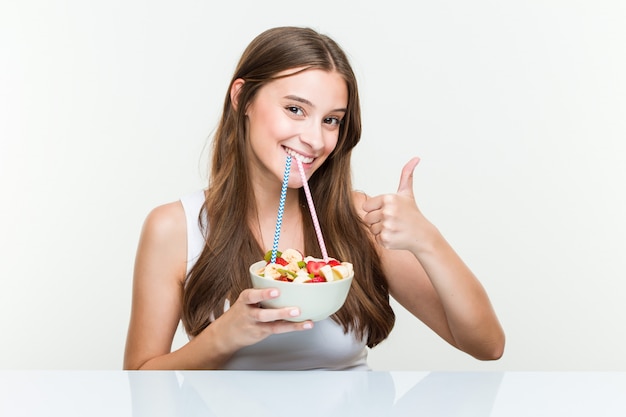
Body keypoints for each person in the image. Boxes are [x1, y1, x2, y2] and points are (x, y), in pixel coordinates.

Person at [123, 26, 505, 370]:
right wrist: (225, 336)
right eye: (295, 109)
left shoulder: (359, 217)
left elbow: (486, 345)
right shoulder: (176, 227)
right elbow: (139, 381)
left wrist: (427, 240)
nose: (315, 139)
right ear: (242, 98)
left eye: (331, 120)